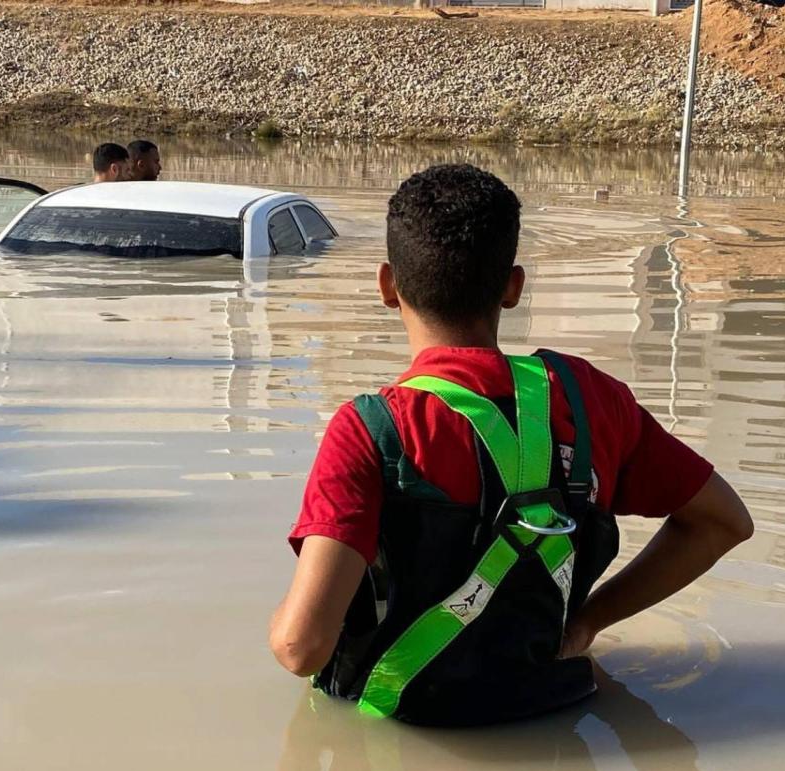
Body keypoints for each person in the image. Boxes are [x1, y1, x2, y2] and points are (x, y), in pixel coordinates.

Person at [268, 164, 753, 726]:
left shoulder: (371, 430)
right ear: (514, 287)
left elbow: (301, 648)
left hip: (405, 731)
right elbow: (725, 522)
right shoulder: (593, 399)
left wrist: (280, 619)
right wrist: (590, 622)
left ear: (386, 285)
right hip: (555, 711)